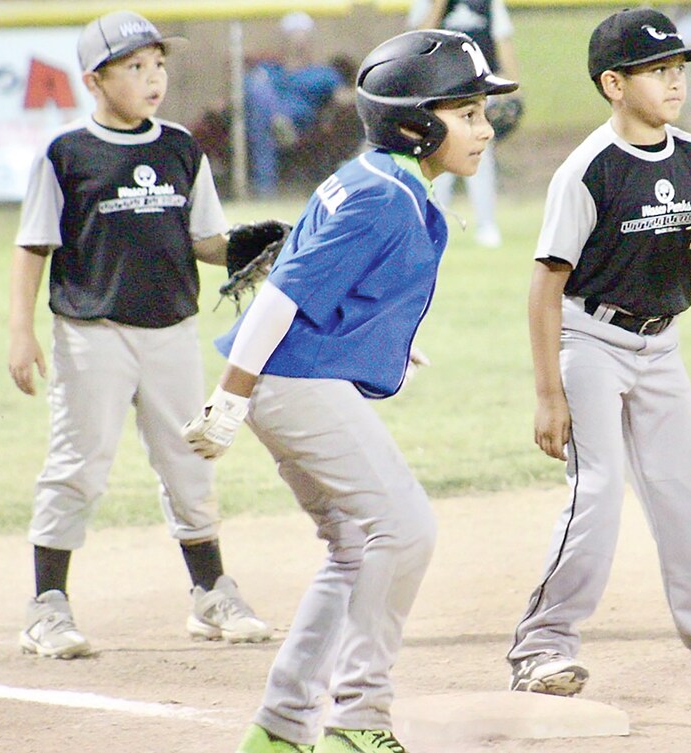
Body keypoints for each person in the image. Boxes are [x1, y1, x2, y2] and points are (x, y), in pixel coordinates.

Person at [181, 29, 518, 753]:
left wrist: (382, 338)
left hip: (298, 375)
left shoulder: (372, 177)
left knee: (354, 546)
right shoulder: (386, 198)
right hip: (291, 381)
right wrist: (231, 396)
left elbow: (315, 271)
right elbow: (281, 297)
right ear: (414, 124)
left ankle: (280, 727)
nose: (485, 128)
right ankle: (359, 716)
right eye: (466, 113)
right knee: (407, 528)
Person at [505, 8, 691, 716]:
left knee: (686, 503)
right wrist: (550, 395)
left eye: (678, 69)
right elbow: (545, 286)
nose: (674, 82)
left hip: (661, 345)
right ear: (614, 83)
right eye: (656, 71)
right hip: (590, 342)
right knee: (599, 491)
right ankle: (540, 647)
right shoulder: (588, 170)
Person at [8, 10, 270, 659]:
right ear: (94, 80)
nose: (153, 78)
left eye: (159, 65)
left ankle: (211, 592)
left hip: (172, 329)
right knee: (78, 466)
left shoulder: (181, 146)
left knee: (190, 459)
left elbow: (204, 240)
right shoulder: (67, 154)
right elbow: (33, 244)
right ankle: (47, 606)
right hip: (91, 331)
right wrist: (20, 329)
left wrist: (245, 248)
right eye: (135, 67)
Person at [408, 0, 522, 248]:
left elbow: (502, 40)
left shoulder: (488, 2)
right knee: (439, 155)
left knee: (480, 155)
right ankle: (432, 223)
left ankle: (486, 224)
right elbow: (417, 39)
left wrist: (514, 86)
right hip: (438, 92)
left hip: (478, 90)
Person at [244, 12, 346, 197]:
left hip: (300, 125)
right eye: (293, 36)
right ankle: (277, 121)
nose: (298, 42)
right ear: (284, 40)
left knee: (259, 103)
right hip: (266, 121)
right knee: (256, 86)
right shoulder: (270, 70)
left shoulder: (322, 73)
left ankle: (264, 188)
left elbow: (343, 98)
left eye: (302, 36)